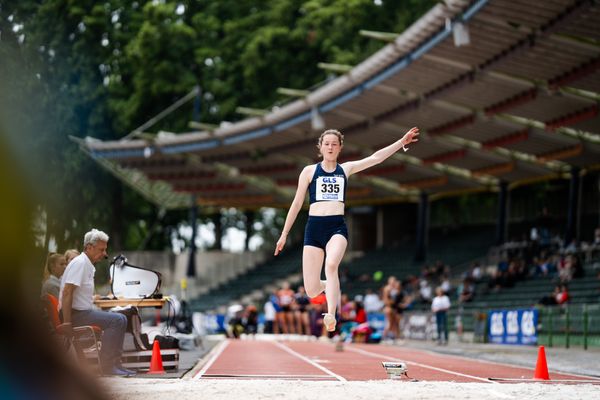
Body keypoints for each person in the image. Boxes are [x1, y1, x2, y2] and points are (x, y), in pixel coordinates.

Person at [274, 127, 419, 332]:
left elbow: (375, 158)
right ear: (320, 147)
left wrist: (401, 142)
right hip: (314, 229)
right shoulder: (309, 171)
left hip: (336, 227)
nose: (330, 147)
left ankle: (331, 314)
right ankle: (329, 286)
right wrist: (284, 235)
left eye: (334, 144)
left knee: (331, 265)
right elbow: (296, 204)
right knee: (311, 289)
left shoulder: (346, 169)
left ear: (340, 147)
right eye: (327, 144)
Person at [58, 229, 134, 376]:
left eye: (105, 249)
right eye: (101, 250)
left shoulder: (87, 264)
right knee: (117, 320)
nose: (105, 254)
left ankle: (116, 364)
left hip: (82, 312)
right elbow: (67, 291)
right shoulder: (80, 263)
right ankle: (107, 366)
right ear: (89, 247)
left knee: (122, 318)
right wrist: (67, 323)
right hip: (75, 315)